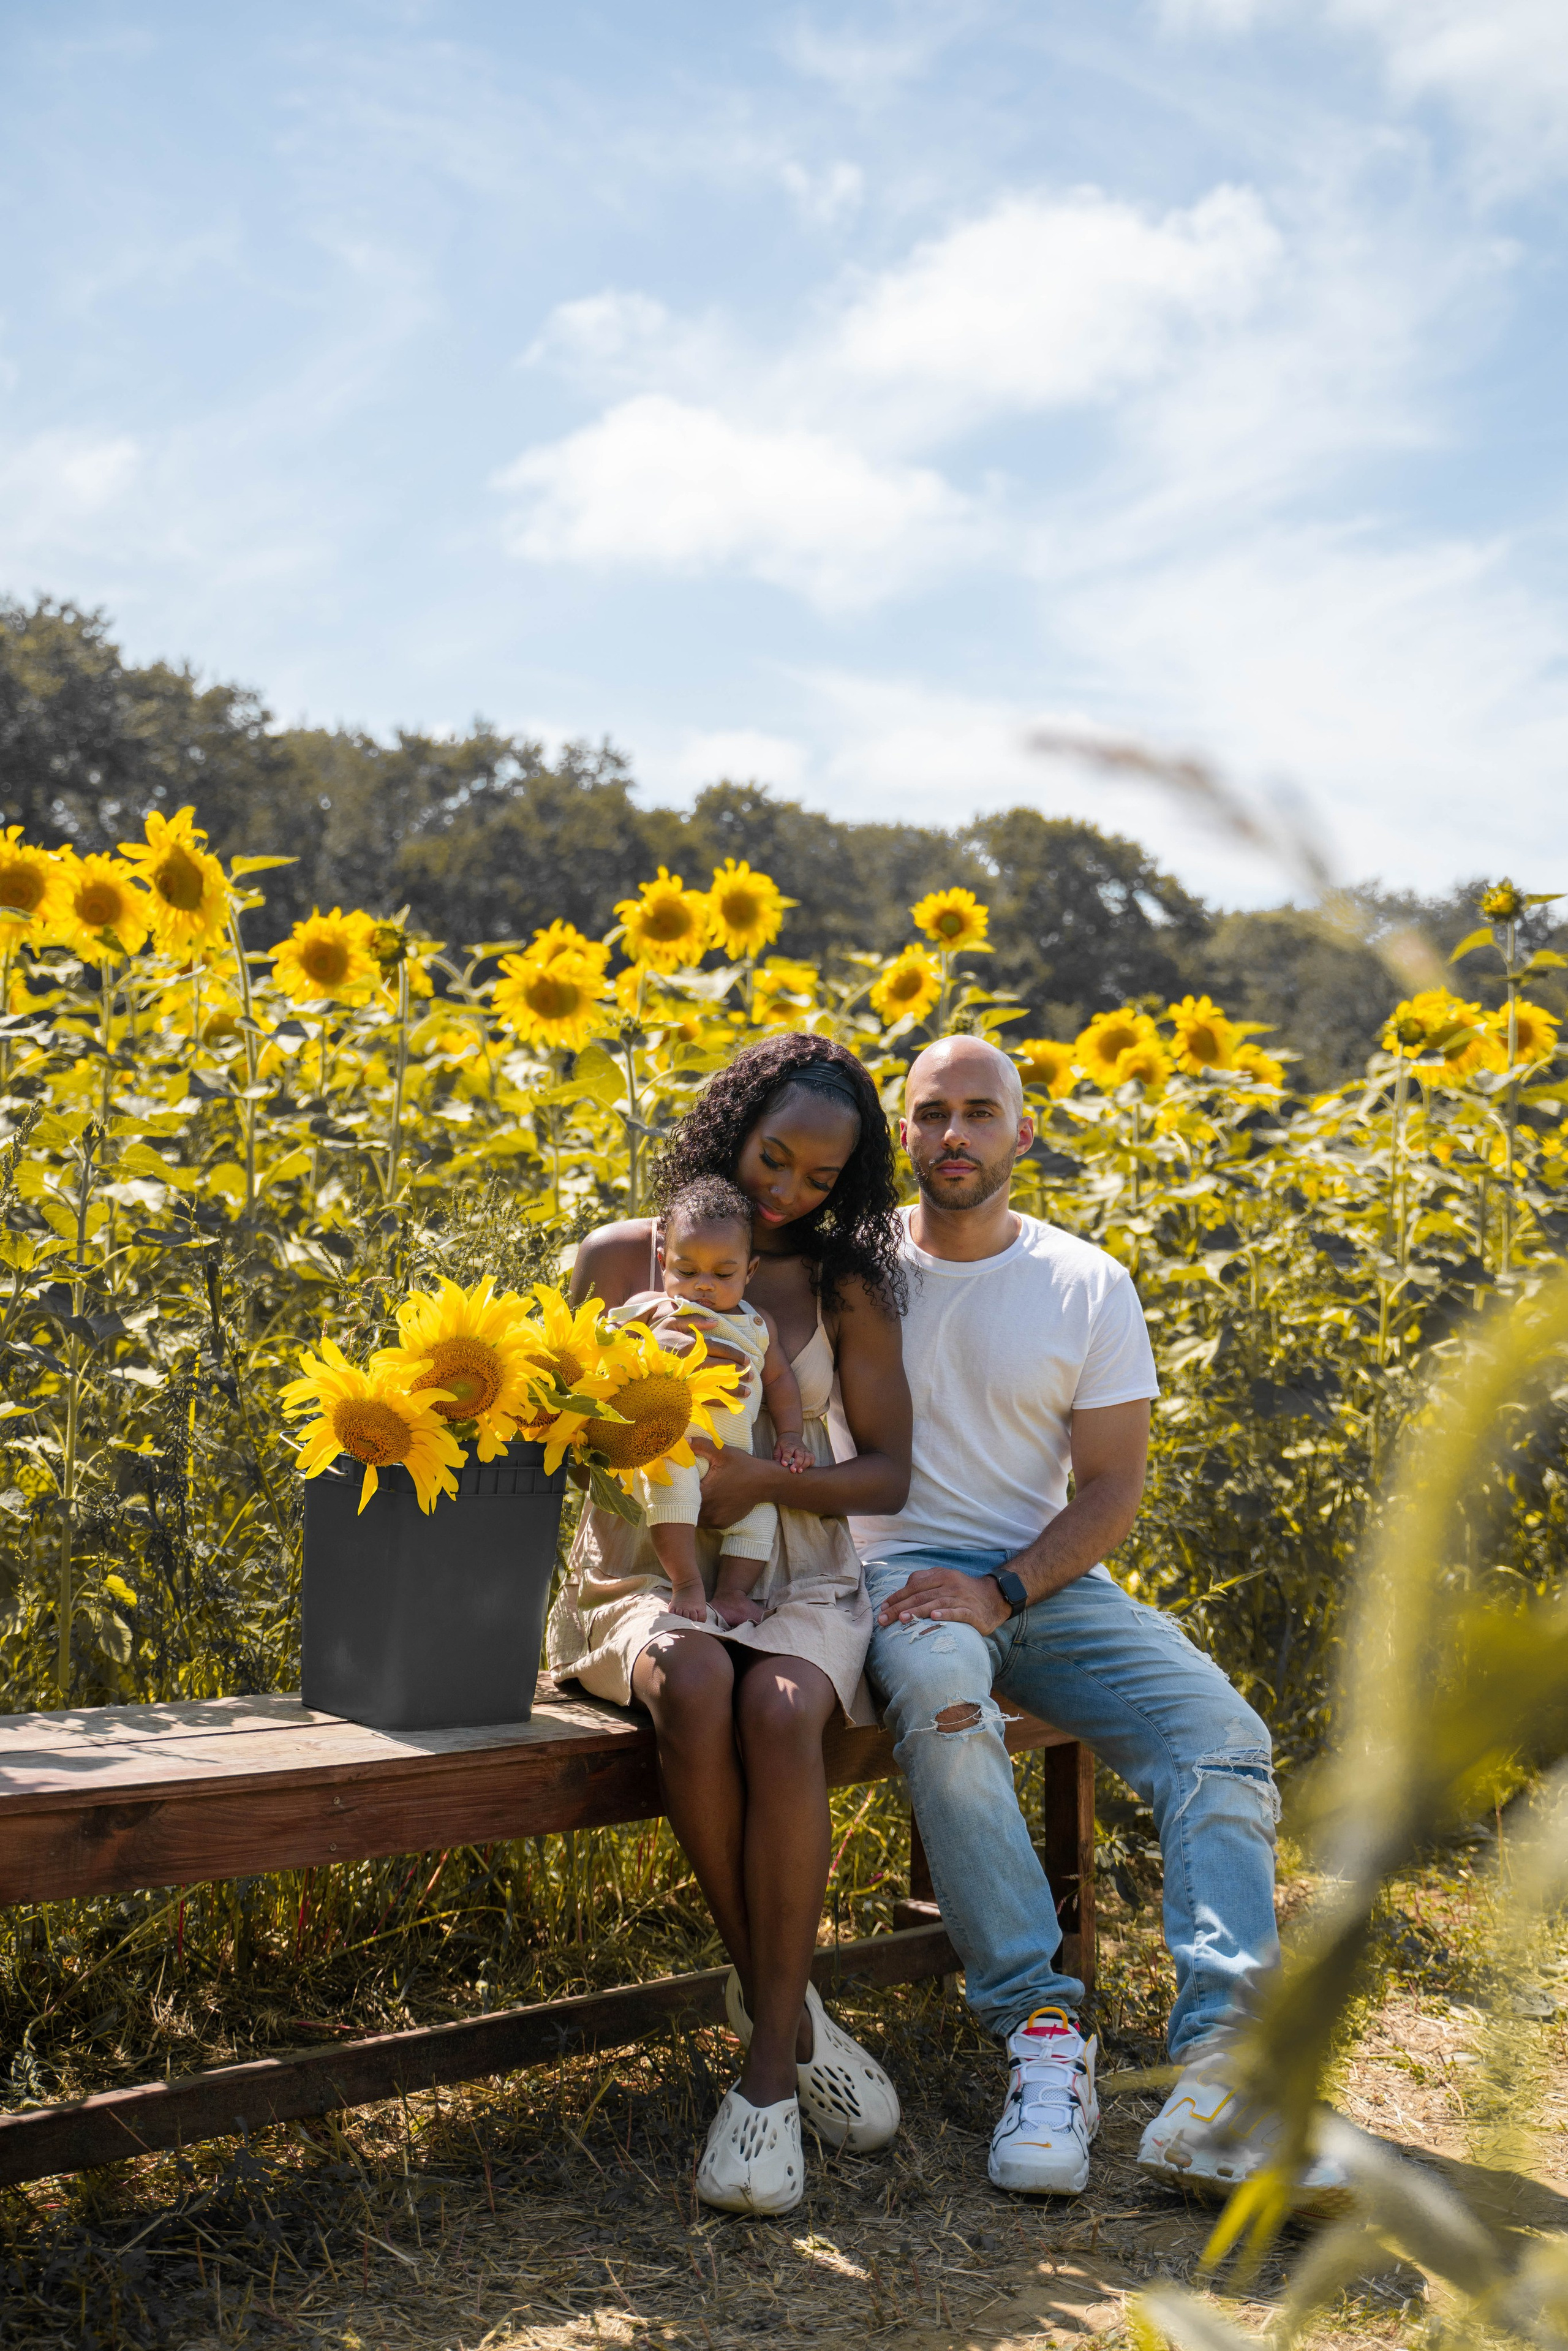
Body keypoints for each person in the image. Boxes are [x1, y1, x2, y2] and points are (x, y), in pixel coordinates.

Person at [859, 1033, 1344, 2208]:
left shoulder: (1085, 1280)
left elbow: (1113, 1489)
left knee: (1219, 1735)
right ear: (904, 1131)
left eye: (981, 1112)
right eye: (932, 1114)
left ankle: (1223, 2072)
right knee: (950, 1701)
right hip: (902, 1582)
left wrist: (1011, 1585)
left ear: (1025, 1131)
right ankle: (1044, 2034)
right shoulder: (853, 1273)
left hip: (1047, 1579)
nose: (955, 1135)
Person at [546, 1034, 913, 2216]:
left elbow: (891, 1476)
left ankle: (761, 2078)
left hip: (795, 1571)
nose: (791, 1191)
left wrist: (765, 1483)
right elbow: (546, 1433)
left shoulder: (843, 1284)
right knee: (697, 1682)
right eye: (775, 1157)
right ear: (732, 1125)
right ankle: (788, 2006)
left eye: (821, 1177)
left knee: (784, 1701)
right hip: (637, 1568)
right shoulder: (619, 1258)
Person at [608, 1172, 813, 1627]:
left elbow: (780, 1382)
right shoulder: (655, 1307)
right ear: (663, 1262)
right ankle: (686, 1584)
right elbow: (606, 1345)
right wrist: (643, 1341)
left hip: (737, 1458)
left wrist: (792, 1434)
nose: (703, 1285)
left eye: (723, 1274)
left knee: (760, 1520)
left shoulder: (758, 1326)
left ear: (749, 1271)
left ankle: (734, 1593)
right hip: (673, 1447)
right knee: (672, 1498)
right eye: (686, 1271)